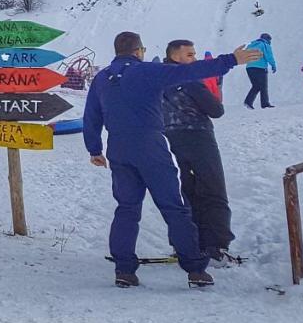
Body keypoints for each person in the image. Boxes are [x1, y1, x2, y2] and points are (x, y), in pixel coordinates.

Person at [83, 31, 257, 288]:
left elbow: (91, 116)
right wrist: (231, 59)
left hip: (118, 148)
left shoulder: (102, 78)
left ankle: (124, 270)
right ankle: (195, 268)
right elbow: (188, 72)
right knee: (174, 207)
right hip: (150, 145)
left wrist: (94, 149)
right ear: (138, 51)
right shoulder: (146, 71)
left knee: (127, 209)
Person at [162, 40, 235, 262]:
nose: (195, 59)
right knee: (212, 189)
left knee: (185, 191)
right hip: (198, 136)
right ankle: (215, 244)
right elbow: (216, 110)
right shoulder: (188, 79)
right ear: (176, 57)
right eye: (190, 55)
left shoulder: (158, 79)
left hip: (170, 138)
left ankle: (185, 243)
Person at [242, 33, 276, 109]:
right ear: (267, 39)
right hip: (260, 68)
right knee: (263, 86)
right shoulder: (264, 45)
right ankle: (265, 104)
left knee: (256, 86)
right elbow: (269, 56)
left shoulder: (251, 45)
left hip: (249, 67)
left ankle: (248, 102)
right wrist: (273, 65)